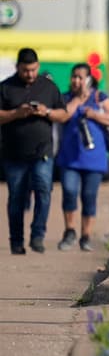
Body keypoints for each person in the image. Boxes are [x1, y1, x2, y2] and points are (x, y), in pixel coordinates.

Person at [0, 48, 69, 254]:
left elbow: (64, 115)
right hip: (14, 154)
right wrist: (16, 113)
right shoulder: (6, 87)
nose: (29, 74)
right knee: (16, 197)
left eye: (33, 70)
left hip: (42, 153)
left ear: (38, 66)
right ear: (17, 68)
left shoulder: (48, 87)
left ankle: (38, 236)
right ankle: (16, 241)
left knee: (44, 191)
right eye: (25, 70)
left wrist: (46, 112)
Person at [54, 63, 109, 252]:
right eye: (73, 77)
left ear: (89, 80)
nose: (76, 80)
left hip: (94, 158)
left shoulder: (100, 98)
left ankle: (86, 236)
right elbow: (62, 117)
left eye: (80, 77)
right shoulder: (66, 98)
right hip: (69, 158)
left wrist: (94, 114)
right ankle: (69, 231)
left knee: (89, 196)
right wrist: (77, 100)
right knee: (69, 191)